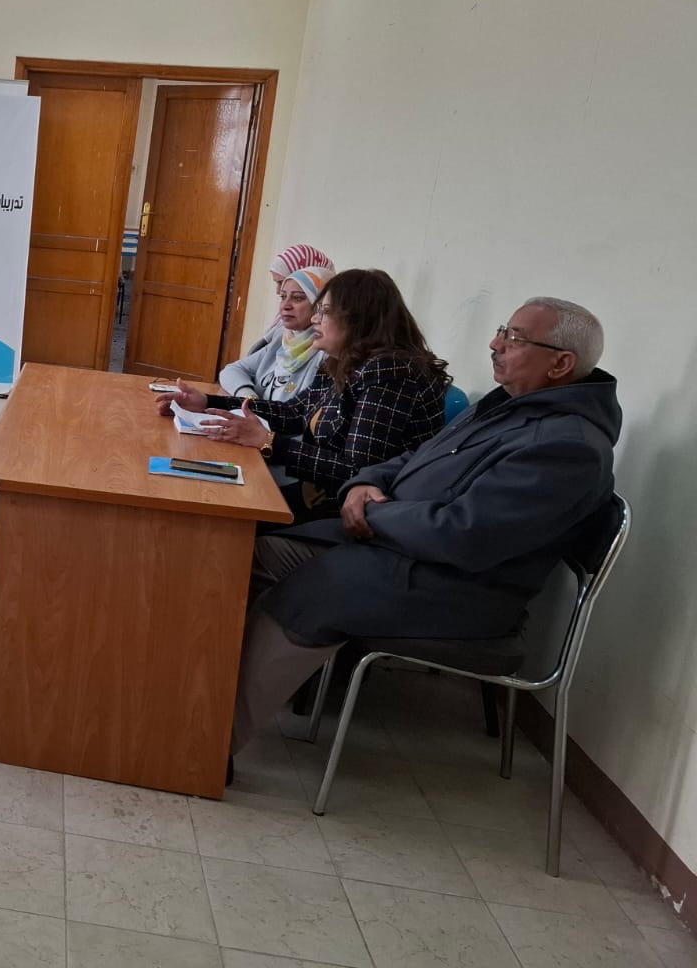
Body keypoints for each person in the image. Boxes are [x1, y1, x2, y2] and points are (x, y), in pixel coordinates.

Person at [231, 297, 620, 753]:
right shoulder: (508, 405)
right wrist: (365, 483)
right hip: (401, 548)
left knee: (314, 591)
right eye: (502, 330)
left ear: (560, 364)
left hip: (456, 587)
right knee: (255, 554)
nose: (495, 343)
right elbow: (415, 457)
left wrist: (372, 513)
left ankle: (214, 741)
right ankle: (201, 691)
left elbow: (465, 535)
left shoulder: (568, 447)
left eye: (514, 338)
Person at [168, 269, 448, 522]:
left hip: (355, 513)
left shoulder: (390, 373)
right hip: (315, 493)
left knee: (222, 521)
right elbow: (294, 412)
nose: (315, 318)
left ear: (358, 321)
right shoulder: (340, 362)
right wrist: (208, 402)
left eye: (324, 311)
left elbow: (358, 472)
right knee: (211, 507)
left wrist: (267, 442)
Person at [219, 265, 335, 402]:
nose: (285, 306)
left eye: (298, 298)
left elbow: (297, 411)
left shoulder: (326, 352)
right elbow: (231, 370)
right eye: (283, 297)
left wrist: (256, 409)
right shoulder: (284, 337)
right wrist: (249, 398)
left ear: (321, 304)